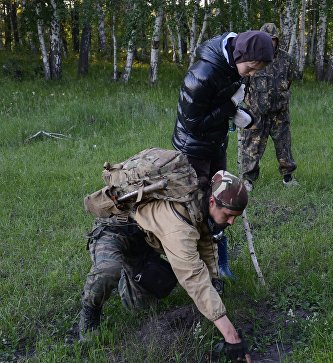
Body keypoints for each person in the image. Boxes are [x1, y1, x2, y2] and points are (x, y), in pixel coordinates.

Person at [79, 170, 252, 362]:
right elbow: (193, 277)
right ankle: (90, 311)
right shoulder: (179, 226)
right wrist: (231, 336)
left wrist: (213, 279)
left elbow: (205, 241)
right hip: (114, 228)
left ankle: (128, 272)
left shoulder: (200, 201)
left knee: (142, 304)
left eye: (236, 216)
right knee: (108, 270)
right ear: (213, 202)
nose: (232, 221)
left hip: (144, 237)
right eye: (228, 215)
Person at [172, 30, 275, 184]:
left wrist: (241, 115)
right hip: (193, 150)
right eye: (250, 68)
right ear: (240, 55)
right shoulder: (201, 76)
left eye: (257, 70)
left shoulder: (234, 70)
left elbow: (220, 103)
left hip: (217, 144)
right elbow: (193, 125)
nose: (252, 74)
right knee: (196, 200)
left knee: (218, 194)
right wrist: (230, 106)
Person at [239, 23, 298, 191]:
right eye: (267, 39)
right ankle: (248, 180)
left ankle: (288, 178)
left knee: (284, 145)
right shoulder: (253, 57)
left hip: (280, 112)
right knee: (252, 147)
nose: (270, 43)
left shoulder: (286, 59)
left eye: (273, 40)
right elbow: (244, 82)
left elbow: (289, 81)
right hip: (256, 112)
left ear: (277, 40)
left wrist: (281, 97)